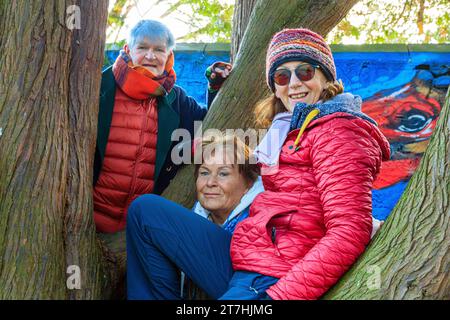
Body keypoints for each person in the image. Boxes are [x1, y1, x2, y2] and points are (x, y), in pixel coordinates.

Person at [126, 28, 390, 300]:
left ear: (326, 76)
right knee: (145, 213)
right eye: (282, 76)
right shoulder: (287, 130)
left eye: (305, 71)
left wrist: (278, 297)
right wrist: (216, 93)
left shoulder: (338, 130)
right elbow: (239, 164)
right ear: (275, 86)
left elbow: (349, 230)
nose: (294, 83)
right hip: (251, 256)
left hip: (277, 276)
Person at [93, 20, 231, 233]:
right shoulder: (100, 87)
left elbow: (211, 125)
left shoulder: (177, 100)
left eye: (159, 50)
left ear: (169, 56)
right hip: (88, 224)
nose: (150, 56)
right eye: (143, 48)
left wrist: (215, 86)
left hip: (140, 230)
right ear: (128, 50)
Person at [126, 133, 265, 299]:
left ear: (249, 184)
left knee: (145, 209)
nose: (210, 182)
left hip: (248, 290)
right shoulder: (198, 217)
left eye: (223, 174)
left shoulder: (263, 215)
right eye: (204, 173)